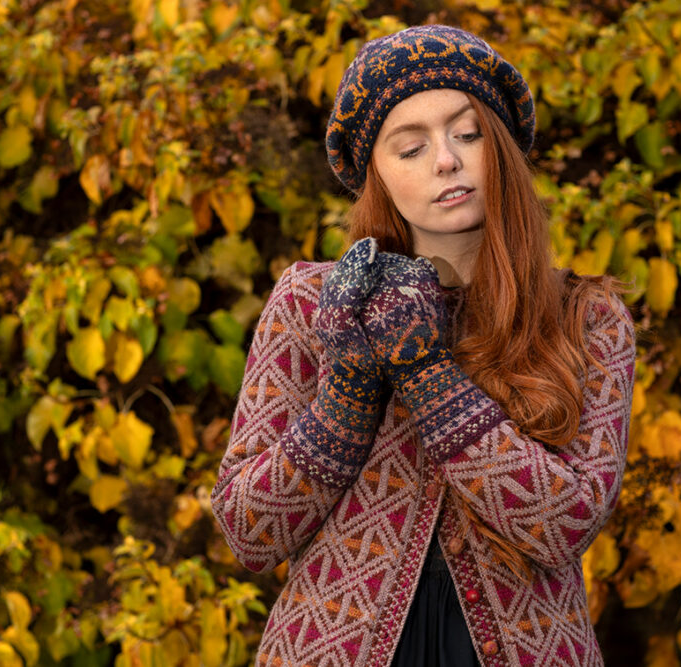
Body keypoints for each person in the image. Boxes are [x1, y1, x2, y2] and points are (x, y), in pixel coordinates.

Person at [211, 24, 636, 667]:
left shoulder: (587, 316)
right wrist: (348, 396)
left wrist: (427, 374)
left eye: (467, 135)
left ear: (503, 149)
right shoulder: (313, 304)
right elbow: (249, 532)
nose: (446, 161)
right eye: (409, 148)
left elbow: (565, 525)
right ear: (375, 175)